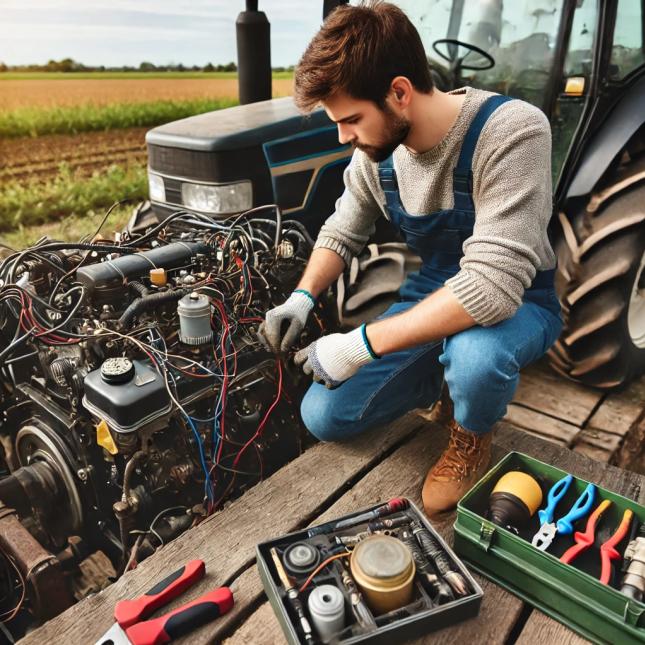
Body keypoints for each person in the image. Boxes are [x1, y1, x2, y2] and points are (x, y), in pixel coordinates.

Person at [258, 1, 562, 518]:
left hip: (519, 299)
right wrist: (302, 297)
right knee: (324, 415)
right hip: (436, 290)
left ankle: (471, 430)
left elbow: (490, 290)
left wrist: (358, 345)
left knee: (476, 358)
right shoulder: (375, 156)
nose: (343, 136)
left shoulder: (512, 131)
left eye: (351, 119)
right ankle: (443, 379)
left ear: (399, 93)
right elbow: (342, 229)